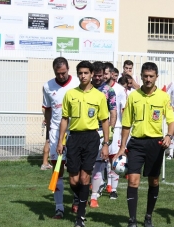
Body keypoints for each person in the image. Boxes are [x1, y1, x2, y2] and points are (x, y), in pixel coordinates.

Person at [113, 62, 174, 227]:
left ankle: (148, 216)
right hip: (136, 143)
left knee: (153, 181)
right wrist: (122, 148)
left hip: (156, 144)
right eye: (145, 76)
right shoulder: (133, 96)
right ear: (140, 76)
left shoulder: (163, 97)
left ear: (156, 77)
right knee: (133, 180)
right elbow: (126, 124)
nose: (148, 79)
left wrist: (169, 135)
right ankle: (132, 220)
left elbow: (171, 120)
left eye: (151, 76)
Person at [57, 61, 110, 227]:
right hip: (74, 138)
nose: (83, 76)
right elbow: (64, 118)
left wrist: (106, 143)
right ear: (78, 74)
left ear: (92, 74)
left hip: (91, 138)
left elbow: (104, 120)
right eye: (80, 73)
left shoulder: (99, 96)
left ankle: (80, 217)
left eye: (86, 73)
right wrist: (61, 140)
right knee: (74, 180)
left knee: (85, 177)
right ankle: (82, 197)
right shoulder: (70, 94)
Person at [42, 57, 79, 219]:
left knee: (75, 172)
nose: (61, 76)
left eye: (64, 73)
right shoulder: (47, 86)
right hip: (57, 133)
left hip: (76, 132)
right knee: (58, 170)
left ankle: (77, 200)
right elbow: (48, 110)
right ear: (54, 71)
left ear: (68, 69)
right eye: (58, 73)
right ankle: (59, 208)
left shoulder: (78, 83)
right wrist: (49, 134)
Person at [89, 61, 117, 208]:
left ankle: (94, 196)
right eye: (96, 75)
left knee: (99, 163)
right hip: (85, 131)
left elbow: (113, 112)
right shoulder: (86, 88)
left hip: (100, 131)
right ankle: (88, 188)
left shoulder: (108, 90)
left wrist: (110, 131)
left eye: (101, 76)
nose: (98, 78)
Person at [104, 62, 127, 199]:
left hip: (116, 127)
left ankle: (113, 189)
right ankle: (105, 184)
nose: (104, 76)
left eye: (106, 73)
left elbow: (123, 110)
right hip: (101, 127)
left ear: (112, 74)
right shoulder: (99, 88)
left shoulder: (119, 89)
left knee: (114, 157)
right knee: (103, 158)